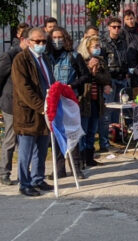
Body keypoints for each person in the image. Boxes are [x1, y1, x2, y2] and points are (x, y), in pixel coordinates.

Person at [11, 27, 54, 197]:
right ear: (29, 42)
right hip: (28, 113)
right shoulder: (21, 60)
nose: (41, 44)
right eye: (38, 41)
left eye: (44, 41)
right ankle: (25, 182)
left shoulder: (45, 59)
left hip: (44, 113)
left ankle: (38, 178)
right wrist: (42, 107)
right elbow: (24, 89)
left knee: (41, 149)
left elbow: (50, 82)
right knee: (26, 151)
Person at [48, 26, 89, 179]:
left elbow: (85, 76)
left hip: (70, 100)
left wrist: (71, 86)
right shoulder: (46, 57)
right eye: (54, 38)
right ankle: (59, 169)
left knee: (72, 133)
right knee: (56, 134)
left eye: (60, 37)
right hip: (53, 101)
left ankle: (76, 169)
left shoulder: (73, 56)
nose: (57, 41)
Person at [0, 25, 29, 186]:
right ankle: (4, 172)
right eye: (32, 41)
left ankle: (24, 173)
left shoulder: (31, 56)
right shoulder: (10, 55)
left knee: (25, 139)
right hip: (10, 102)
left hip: (25, 103)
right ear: (23, 39)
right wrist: (3, 96)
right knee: (11, 138)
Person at [76, 35, 112, 171]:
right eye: (95, 46)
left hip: (97, 101)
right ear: (87, 48)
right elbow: (83, 79)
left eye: (99, 46)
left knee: (92, 131)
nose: (98, 49)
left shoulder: (101, 61)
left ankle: (90, 157)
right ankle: (80, 159)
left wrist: (95, 73)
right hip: (85, 101)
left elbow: (106, 78)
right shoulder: (81, 61)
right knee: (83, 131)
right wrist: (90, 70)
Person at [100, 17, 130, 152]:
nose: (117, 29)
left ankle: (116, 137)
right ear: (108, 27)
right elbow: (102, 64)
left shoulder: (123, 42)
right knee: (107, 111)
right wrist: (106, 81)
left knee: (119, 111)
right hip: (110, 79)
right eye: (114, 27)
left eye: (119, 26)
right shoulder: (104, 42)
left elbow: (125, 58)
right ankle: (104, 142)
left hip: (122, 77)